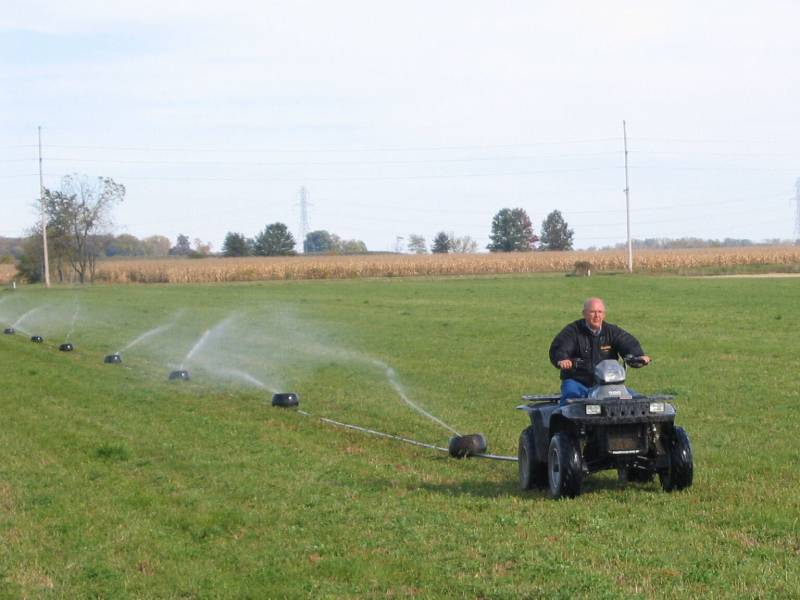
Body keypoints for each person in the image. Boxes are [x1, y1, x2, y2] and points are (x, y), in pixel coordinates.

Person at [549, 297, 650, 405]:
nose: (597, 316)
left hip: (607, 384)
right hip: (578, 382)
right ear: (584, 313)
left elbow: (628, 343)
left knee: (636, 401)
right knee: (571, 402)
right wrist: (562, 360)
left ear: (604, 314)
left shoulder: (612, 331)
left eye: (600, 312)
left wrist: (638, 356)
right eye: (592, 312)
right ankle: (563, 421)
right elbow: (560, 348)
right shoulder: (572, 331)